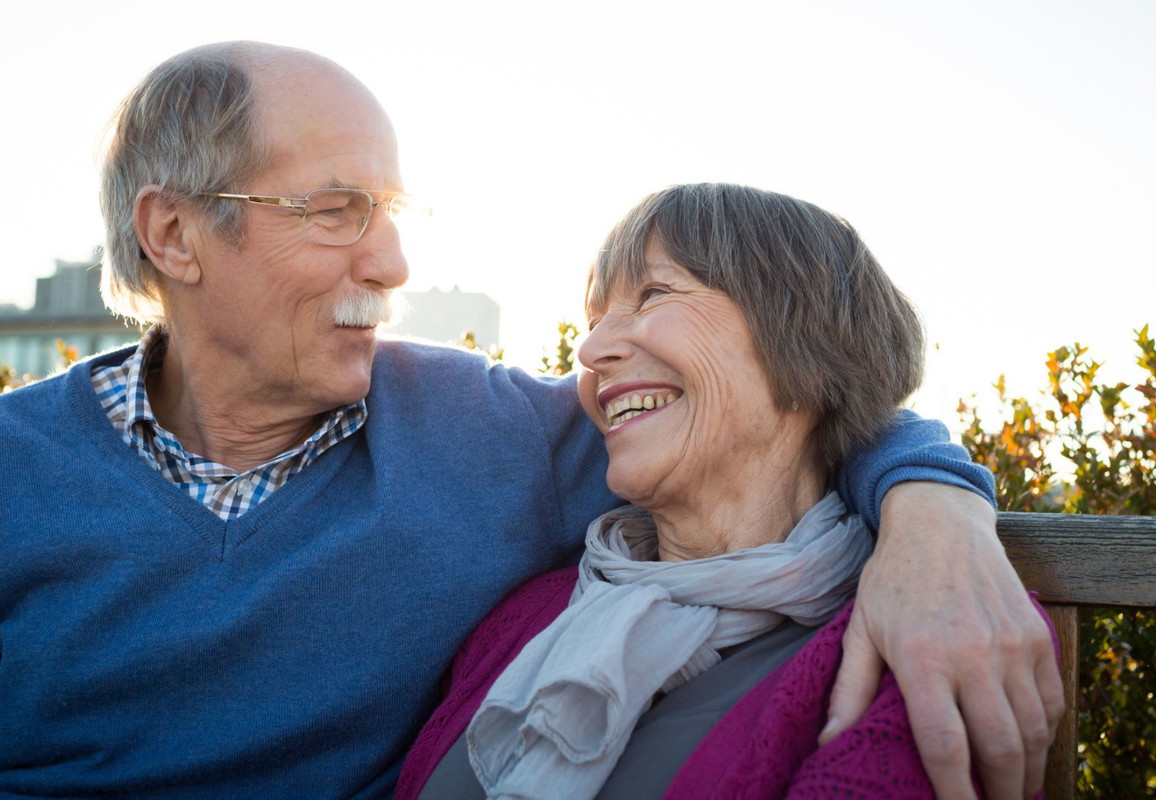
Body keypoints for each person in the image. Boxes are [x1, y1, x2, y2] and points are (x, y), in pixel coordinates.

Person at [0, 42, 1060, 800]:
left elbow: (789, 407)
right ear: (175, 235)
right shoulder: (18, 470)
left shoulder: (485, 432)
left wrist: (935, 516)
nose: (392, 263)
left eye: (390, 213)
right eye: (334, 211)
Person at [395, 183, 1058, 800]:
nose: (590, 350)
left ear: (802, 338)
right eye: (595, 317)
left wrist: (939, 503)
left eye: (653, 293)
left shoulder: (934, 627)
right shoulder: (523, 616)